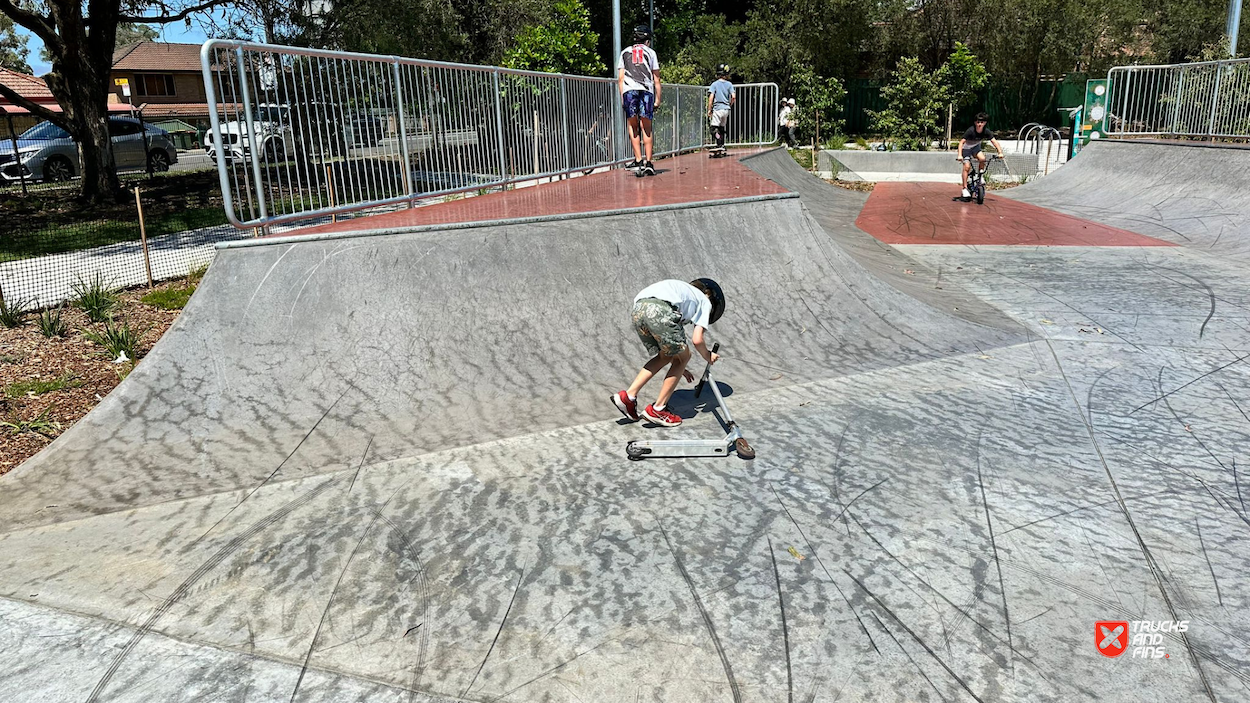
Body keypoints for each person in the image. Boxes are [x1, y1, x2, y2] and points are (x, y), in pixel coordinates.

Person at [613, 278, 725, 427]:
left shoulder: (683, 292)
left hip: (639, 309)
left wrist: (679, 368)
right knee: (684, 357)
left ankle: (628, 396)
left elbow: (672, 345)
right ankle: (658, 410)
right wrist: (708, 355)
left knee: (665, 356)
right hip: (662, 311)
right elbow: (697, 340)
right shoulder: (705, 301)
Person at [618, 25, 662, 175]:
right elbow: (656, 78)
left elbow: (620, 78)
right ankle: (649, 162)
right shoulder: (651, 53)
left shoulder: (624, 52)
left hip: (629, 90)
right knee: (646, 126)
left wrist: (623, 97)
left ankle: (638, 160)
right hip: (646, 91)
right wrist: (658, 99)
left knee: (632, 125)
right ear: (647, 40)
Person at [957, 111, 1005, 198]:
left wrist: (1000, 152)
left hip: (975, 148)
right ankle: (964, 188)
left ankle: (980, 176)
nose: (979, 124)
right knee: (967, 167)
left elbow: (994, 142)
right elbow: (961, 143)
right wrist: (960, 155)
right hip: (966, 149)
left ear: (985, 123)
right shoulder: (970, 131)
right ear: (975, 122)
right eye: (978, 122)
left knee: (982, 159)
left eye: (982, 122)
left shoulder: (986, 131)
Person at [707, 64, 736, 154]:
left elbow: (711, 98)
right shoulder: (729, 84)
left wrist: (709, 109)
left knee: (713, 129)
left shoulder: (714, 84)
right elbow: (733, 97)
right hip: (726, 109)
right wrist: (729, 104)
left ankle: (718, 140)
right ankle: (721, 145)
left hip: (718, 109)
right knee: (721, 128)